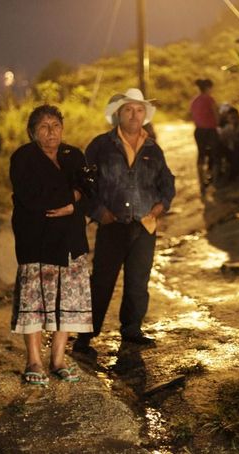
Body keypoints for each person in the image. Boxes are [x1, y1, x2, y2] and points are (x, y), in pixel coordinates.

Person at [73, 88, 175, 351]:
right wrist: (98, 212)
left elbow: (168, 182)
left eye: (139, 110)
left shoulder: (153, 148)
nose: (134, 115)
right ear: (118, 114)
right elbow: (83, 185)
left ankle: (131, 330)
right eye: (128, 110)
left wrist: (161, 206)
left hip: (144, 226)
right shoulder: (100, 146)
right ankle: (85, 335)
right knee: (102, 281)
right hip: (112, 225)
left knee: (138, 281)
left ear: (144, 114)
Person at [9, 104, 93, 384]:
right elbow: (34, 196)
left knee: (67, 301)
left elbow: (93, 191)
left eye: (55, 125)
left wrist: (74, 205)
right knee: (34, 302)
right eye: (43, 127)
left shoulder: (73, 155)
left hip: (70, 241)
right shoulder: (23, 157)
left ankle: (58, 359)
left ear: (62, 128)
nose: (51, 132)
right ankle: (34, 360)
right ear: (32, 132)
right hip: (37, 241)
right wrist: (73, 197)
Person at [190, 79, 220, 193]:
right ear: (208, 88)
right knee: (215, 155)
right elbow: (217, 116)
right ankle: (215, 183)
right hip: (210, 130)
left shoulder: (194, 101)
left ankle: (201, 183)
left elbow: (194, 116)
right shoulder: (210, 99)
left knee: (201, 156)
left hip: (199, 130)